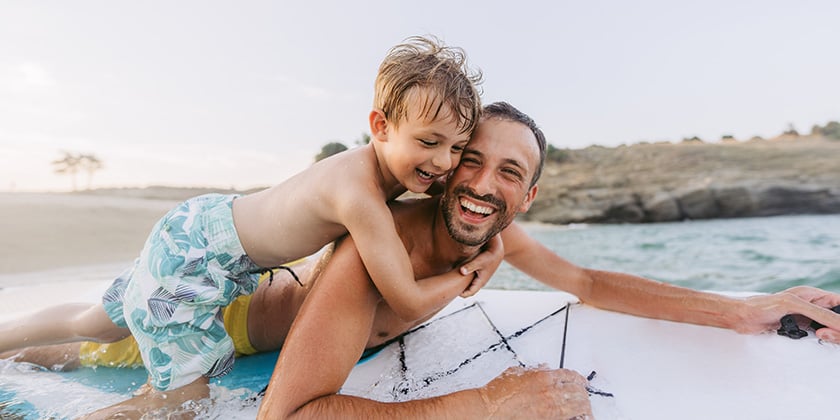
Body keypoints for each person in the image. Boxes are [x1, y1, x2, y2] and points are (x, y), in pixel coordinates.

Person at [5, 103, 840, 418]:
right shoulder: (382, 251)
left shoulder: (495, 236)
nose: (480, 183)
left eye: (509, 172)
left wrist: (742, 307)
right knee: (86, 344)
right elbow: (288, 415)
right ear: (441, 166)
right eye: (468, 160)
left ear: (529, 197)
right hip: (215, 321)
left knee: (86, 325)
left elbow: (589, 282)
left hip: (220, 282)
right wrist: (482, 403)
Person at [0, 35, 505, 416]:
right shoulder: (360, 197)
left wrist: (494, 234)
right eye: (430, 141)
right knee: (176, 404)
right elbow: (407, 300)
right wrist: (475, 270)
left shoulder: (385, 167)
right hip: (196, 263)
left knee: (95, 324)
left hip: (197, 228)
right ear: (380, 126)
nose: (444, 163)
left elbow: (468, 206)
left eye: (457, 148)